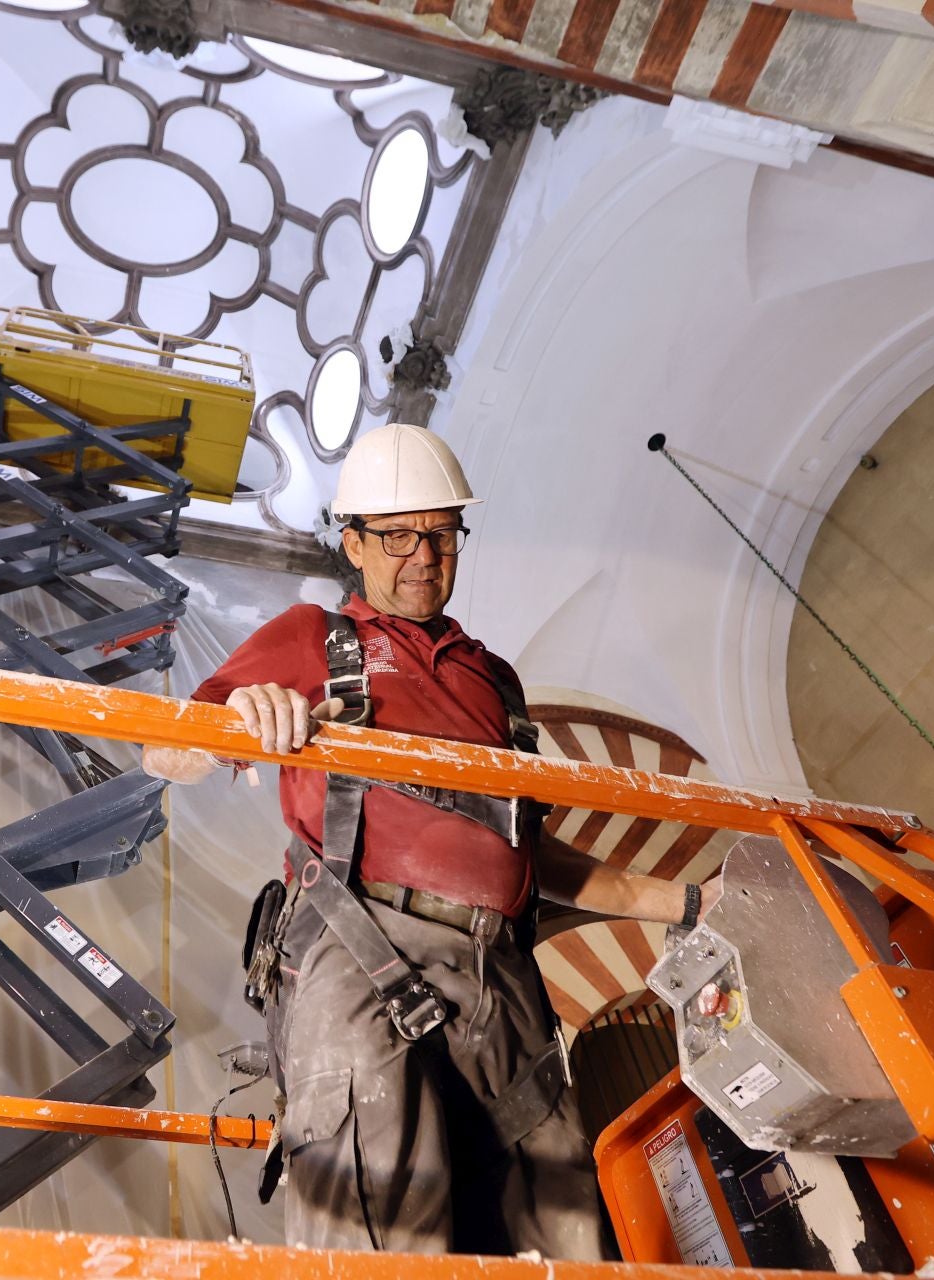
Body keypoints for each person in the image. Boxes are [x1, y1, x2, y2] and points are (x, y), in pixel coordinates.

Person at [144, 423, 716, 1257]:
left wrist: (690, 903)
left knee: (558, 1217)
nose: (423, 553)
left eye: (442, 533)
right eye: (399, 534)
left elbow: (528, 854)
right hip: (359, 944)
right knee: (381, 1211)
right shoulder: (315, 637)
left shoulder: (496, 679)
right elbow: (166, 749)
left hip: (503, 973)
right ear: (353, 543)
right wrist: (240, 715)